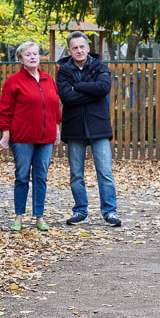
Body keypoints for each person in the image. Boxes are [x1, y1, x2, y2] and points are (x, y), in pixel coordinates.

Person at [55, 31, 121, 227]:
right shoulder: (63, 71)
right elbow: (66, 97)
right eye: (74, 48)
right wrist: (91, 91)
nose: (79, 50)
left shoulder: (100, 67)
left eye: (82, 46)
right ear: (69, 51)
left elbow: (103, 88)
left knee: (105, 172)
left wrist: (78, 86)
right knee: (76, 173)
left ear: (88, 48)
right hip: (74, 126)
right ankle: (80, 210)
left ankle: (110, 212)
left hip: (98, 125)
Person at [0, 41, 61, 231]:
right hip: (22, 139)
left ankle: (39, 217)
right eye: (28, 54)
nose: (32, 57)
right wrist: (5, 136)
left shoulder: (48, 79)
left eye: (35, 54)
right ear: (20, 59)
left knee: (41, 177)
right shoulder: (13, 81)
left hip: (46, 138)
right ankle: (18, 218)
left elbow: (55, 107)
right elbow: (4, 111)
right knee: (22, 176)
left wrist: (57, 129)